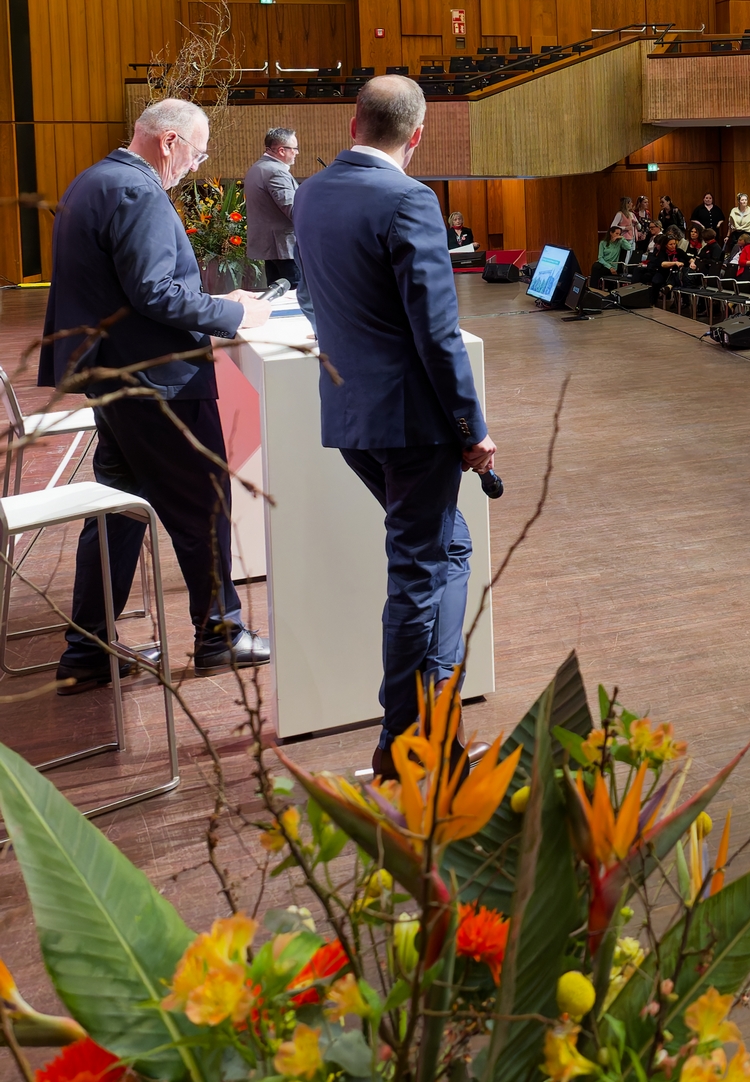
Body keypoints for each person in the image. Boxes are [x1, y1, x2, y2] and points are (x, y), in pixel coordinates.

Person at [291, 75, 495, 780]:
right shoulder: (409, 199)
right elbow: (436, 334)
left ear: (353, 125)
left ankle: (435, 723)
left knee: (448, 548)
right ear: (418, 134)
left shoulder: (311, 192)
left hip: (351, 418)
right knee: (417, 574)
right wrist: (471, 428)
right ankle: (401, 743)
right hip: (413, 426)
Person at [39, 98, 273, 694]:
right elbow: (155, 292)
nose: (196, 166)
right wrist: (233, 313)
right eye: (197, 153)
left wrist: (216, 302)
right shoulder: (138, 191)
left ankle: (88, 649)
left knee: (118, 511)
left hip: (116, 377)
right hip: (157, 381)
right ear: (169, 141)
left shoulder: (93, 180)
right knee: (203, 505)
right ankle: (220, 635)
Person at [245, 127, 302, 301]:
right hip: (284, 247)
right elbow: (293, 209)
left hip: (272, 247)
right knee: (295, 298)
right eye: (294, 148)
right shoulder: (276, 171)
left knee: (277, 296)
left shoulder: (257, 168)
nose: (297, 153)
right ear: (282, 150)